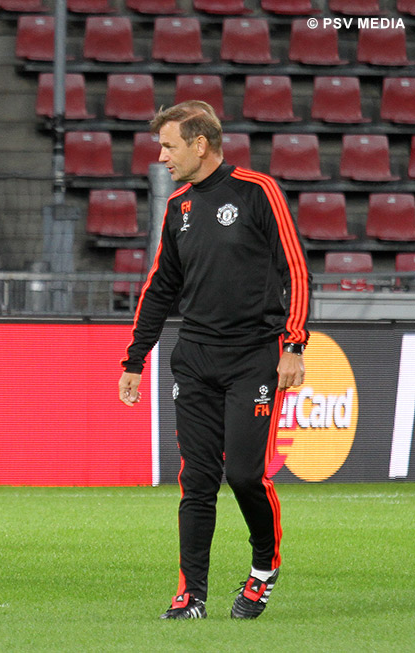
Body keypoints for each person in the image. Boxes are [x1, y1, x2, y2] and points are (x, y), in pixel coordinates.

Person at [118, 101, 310, 619]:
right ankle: (191, 595)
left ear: (200, 145)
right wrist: (134, 360)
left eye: (169, 146)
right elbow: (161, 287)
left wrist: (293, 345)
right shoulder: (178, 205)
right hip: (195, 360)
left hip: (254, 358)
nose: (161, 156)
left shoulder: (257, 191)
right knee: (197, 479)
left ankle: (264, 568)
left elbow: (296, 268)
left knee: (246, 475)